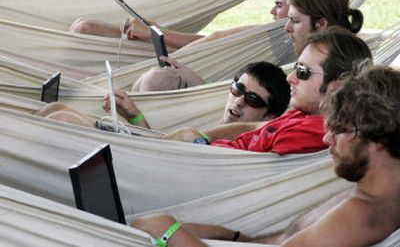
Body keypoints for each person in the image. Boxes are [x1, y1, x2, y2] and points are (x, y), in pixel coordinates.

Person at [130, 65, 400, 247]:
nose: (327, 139)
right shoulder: (368, 198)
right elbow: (286, 239)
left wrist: (170, 233)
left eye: (339, 130)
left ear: (376, 139)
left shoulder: (366, 216)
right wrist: (232, 235)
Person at [164, 27, 373, 155]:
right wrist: (200, 137)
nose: (291, 78)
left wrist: (199, 145)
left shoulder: (308, 134)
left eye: (302, 72)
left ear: (338, 85)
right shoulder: (305, 113)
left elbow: (245, 171)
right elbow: (258, 128)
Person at [133, 0, 364, 92]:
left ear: (321, 23)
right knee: (156, 79)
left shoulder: (324, 67)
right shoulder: (312, 56)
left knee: (156, 81)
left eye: (293, 20)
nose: (285, 28)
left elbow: (262, 110)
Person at [35, 61, 290, 129]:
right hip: (146, 152)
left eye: (252, 99)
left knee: (60, 116)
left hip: (136, 168)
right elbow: (162, 150)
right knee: (55, 109)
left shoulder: (238, 145)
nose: (238, 101)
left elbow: (162, 158)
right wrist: (134, 116)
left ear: (269, 115)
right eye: (238, 88)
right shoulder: (222, 131)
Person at [69, 0, 295, 49]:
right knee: (83, 26)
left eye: (278, 5)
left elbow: (216, 40)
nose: (272, 11)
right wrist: (157, 31)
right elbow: (213, 41)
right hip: (185, 55)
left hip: (182, 65)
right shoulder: (275, 35)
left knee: (85, 29)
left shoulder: (277, 36)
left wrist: (155, 33)